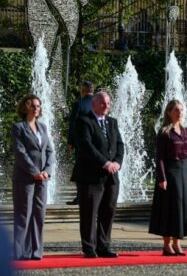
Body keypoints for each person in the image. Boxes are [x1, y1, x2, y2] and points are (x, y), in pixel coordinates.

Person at [73, 92, 124, 258]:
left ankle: (104, 246)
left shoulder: (112, 122)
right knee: (89, 213)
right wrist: (105, 163)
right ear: (94, 104)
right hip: (90, 176)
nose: (106, 105)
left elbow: (119, 145)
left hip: (111, 176)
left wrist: (117, 162)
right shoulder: (83, 121)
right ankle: (89, 248)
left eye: (108, 102)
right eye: (103, 103)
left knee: (108, 212)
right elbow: (86, 147)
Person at [149, 99, 187, 256]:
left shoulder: (186, 131)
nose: (179, 112)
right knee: (170, 208)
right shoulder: (164, 132)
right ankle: (167, 244)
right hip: (170, 172)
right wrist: (162, 178)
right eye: (176, 110)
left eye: (181, 110)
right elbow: (159, 157)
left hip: (184, 172)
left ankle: (177, 243)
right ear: (169, 112)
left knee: (182, 209)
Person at [11, 94, 54, 260]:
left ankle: (36, 251)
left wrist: (47, 171)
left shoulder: (42, 127)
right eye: (33, 105)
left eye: (38, 106)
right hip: (25, 178)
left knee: (39, 214)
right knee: (23, 215)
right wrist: (34, 171)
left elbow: (49, 151)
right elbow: (20, 152)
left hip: (42, 178)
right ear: (25, 107)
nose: (37, 108)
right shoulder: (18, 127)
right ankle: (20, 252)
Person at [67, 81, 95, 205]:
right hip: (96, 144)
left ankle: (80, 196)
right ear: (92, 90)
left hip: (82, 144)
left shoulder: (78, 104)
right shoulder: (98, 104)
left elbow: (72, 124)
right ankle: (93, 196)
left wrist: (71, 141)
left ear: (82, 91)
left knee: (80, 169)